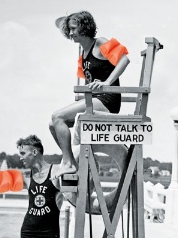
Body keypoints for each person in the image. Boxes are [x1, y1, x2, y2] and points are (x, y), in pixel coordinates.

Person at [49, 10, 130, 179]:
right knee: (53, 124)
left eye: (73, 29)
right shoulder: (83, 54)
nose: (70, 34)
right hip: (94, 99)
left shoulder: (100, 43)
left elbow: (124, 60)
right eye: (69, 30)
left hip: (107, 100)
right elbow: (89, 82)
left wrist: (107, 82)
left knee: (57, 116)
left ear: (85, 27)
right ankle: (71, 162)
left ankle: (68, 164)